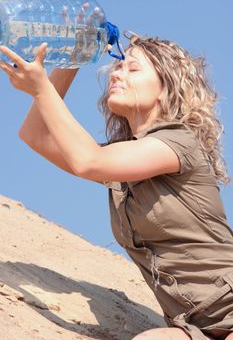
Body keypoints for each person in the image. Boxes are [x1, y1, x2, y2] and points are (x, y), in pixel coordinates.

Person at [0, 33, 233, 340]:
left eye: (133, 69)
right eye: (118, 68)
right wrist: (73, 58)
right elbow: (35, 135)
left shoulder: (178, 143)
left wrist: (42, 88)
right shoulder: (124, 162)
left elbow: (88, 161)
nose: (118, 73)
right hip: (193, 327)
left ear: (167, 89)